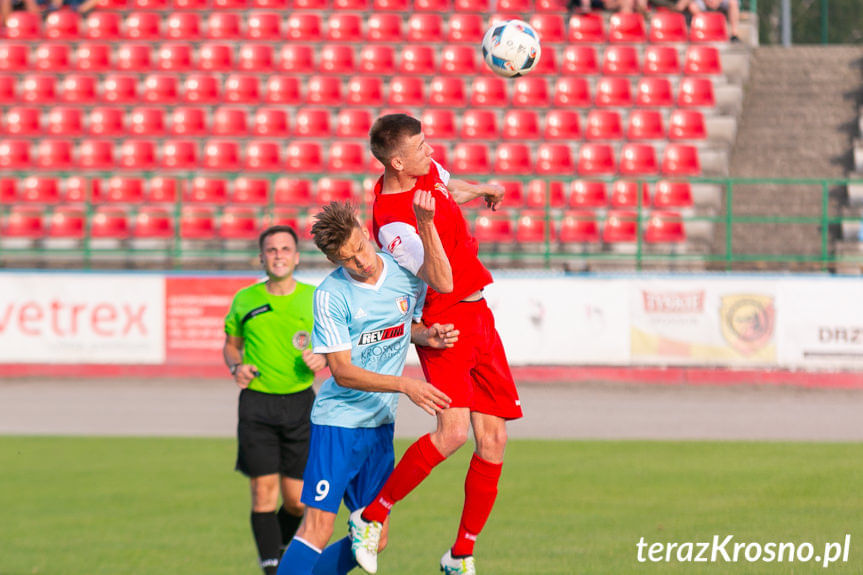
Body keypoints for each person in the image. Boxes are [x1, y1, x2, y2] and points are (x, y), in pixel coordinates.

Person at [349, 114, 523, 575]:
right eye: (422, 147)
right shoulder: (396, 225)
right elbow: (441, 280)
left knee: (495, 440)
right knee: (453, 434)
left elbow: (447, 185)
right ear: (398, 161)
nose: (431, 151)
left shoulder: (421, 170)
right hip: (445, 323)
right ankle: (370, 516)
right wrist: (426, 225)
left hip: (478, 313)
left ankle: (460, 555)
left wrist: (481, 189)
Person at [277, 199, 456, 575]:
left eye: (360, 247)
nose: (361, 261)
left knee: (377, 537)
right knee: (318, 528)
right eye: (348, 259)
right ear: (334, 262)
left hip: (379, 426)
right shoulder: (330, 295)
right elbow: (341, 371)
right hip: (338, 423)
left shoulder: (406, 273)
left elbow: (404, 329)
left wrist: (428, 337)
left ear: (363, 230)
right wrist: (405, 385)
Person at [223, 225, 327, 575]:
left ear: (296, 257)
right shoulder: (245, 299)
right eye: (271, 250)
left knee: (297, 502)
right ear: (262, 257)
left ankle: (277, 549)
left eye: (285, 249)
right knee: (262, 493)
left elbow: (334, 345)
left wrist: (323, 358)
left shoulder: (315, 298)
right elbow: (231, 345)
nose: (278, 255)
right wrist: (236, 366)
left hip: (300, 404)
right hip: (257, 405)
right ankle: (271, 567)